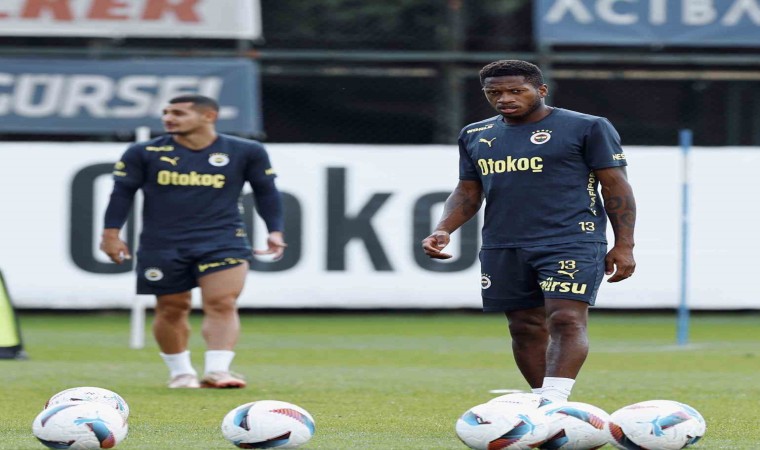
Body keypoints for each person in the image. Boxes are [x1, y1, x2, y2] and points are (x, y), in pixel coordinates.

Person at [421, 60, 636, 404]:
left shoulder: (588, 126)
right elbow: (468, 190)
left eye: (516, 90)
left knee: (565, 318)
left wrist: (624, 245)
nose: (505, 98)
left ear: (541, 90)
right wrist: (443, 228)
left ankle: (554, 403)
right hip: (504, 243)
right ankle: (542, 403)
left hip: (571, 239)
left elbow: (615, 187)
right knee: (523, 326)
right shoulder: (475, 134)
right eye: (494, 92)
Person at [100, 94, 286, 389]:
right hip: (163, 242)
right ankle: (181, 373)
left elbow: (266, 191)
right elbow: (121, 193)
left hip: (223, 238)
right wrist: (110, 234)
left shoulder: (246, 151)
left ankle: (218, 370)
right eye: (166, 112)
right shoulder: (144, 152)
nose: (168, 118)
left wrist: (275, 230)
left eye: (178, 113)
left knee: (222, 302)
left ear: (209, 116)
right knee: (172, 307)